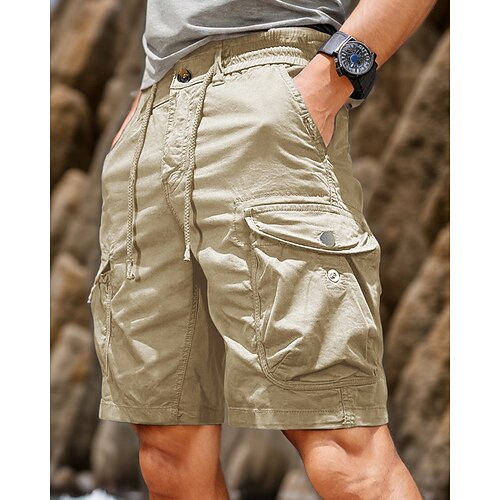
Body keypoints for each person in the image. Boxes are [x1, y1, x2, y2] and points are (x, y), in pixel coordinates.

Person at [88, 0, 436, 498]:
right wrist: (143, 105)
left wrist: (336, 74)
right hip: (154, 112)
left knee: (341, 443)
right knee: (167, 449)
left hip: (270, 86)